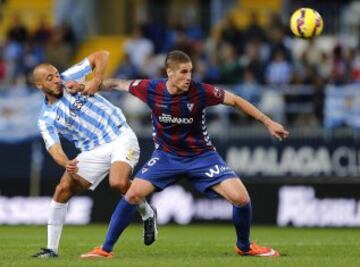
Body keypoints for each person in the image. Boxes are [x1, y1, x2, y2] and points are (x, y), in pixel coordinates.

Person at [79, 50, 289, 258]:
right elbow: (116, 84)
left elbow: (234, 100)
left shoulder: (201, 91)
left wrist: (267, 121)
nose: (189, 77)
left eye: (190, 72)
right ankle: (105, 249)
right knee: (133, 193)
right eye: (183, 72)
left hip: (202, 156)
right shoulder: (151, 88)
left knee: (241, 199)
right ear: (169, 72)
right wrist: (85, 85)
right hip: (166, 157)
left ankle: (245, 247)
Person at [31, 50, 157, 258]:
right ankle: (51, 249)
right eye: (49, 78)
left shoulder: (70, 77)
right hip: (92, 151)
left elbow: (103, 54)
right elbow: (54, 148)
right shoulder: (46, 118)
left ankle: (147, 213)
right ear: (39, 86)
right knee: (62, 189)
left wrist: (95, 80)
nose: (56, 80)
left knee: (118, 182)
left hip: (119, 136)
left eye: (55, 74)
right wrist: (66, 163)